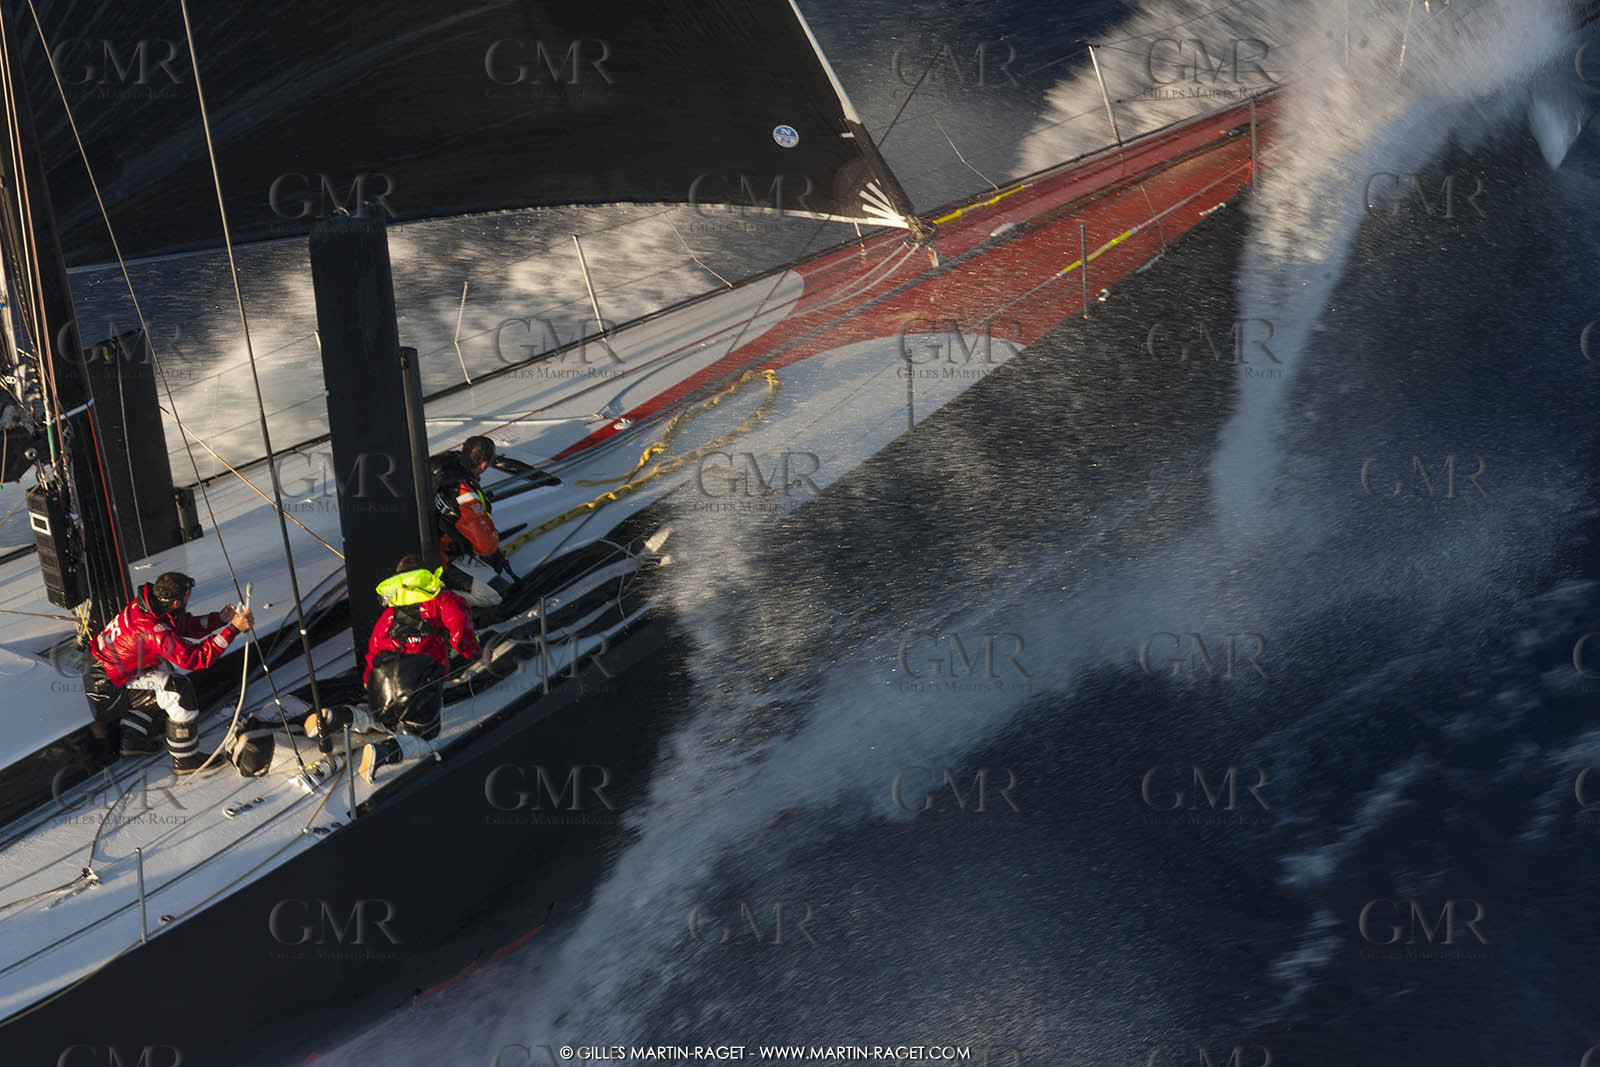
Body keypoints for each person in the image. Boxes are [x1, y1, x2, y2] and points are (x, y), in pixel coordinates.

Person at [84, 572, 252, 773]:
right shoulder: (152, 627)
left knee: (159, 677)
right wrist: (232, 630)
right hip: (106, 688)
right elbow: (194, 659)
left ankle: (132, 740)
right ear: (175, 603)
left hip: (102, 673)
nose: (190, 599)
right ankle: (185, 760)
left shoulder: (149, 607)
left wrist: (219, 619)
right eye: (188, 596)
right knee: (178, 690)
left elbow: (182, 626)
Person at [355, 555, 481, 783]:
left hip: (381, 681)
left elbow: (372, 649)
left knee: (384, 719)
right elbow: (461, 631)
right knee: (427, 740)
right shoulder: (444, 601)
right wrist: (470, 652)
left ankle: (344, 718)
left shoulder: (388, 615)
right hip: (419, 681)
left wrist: (368, 681)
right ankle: (385, 752)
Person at [431, 435, 511, 608]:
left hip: (431, 548)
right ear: (483, 464)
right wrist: (492, 539)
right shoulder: (464, 493)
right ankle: (436, 600)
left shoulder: (445, 470)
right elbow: (485, 545)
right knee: (497, 592)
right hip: (446, 558)